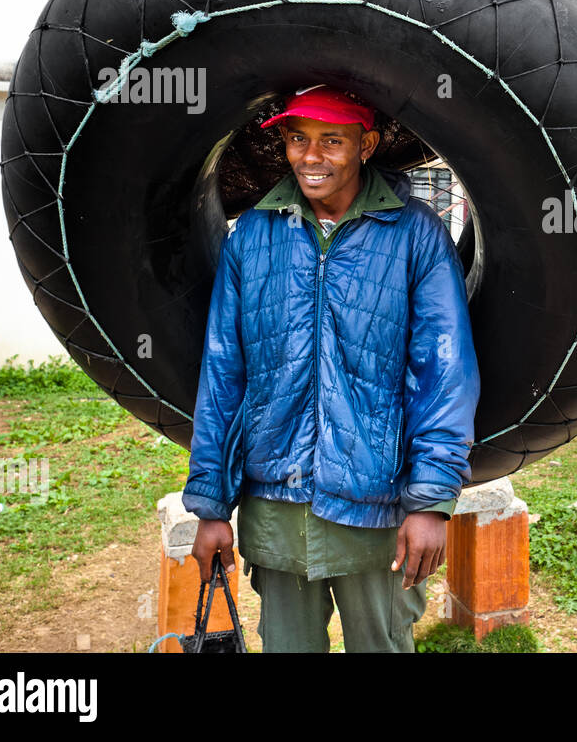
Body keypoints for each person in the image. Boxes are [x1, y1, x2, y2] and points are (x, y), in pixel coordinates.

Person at [182, 85, 480, 652]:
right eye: (298, 139)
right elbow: (222, 374)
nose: (310, 157)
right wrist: (211, 507)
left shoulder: (415, 235)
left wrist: (431, 502)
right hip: (276, 508)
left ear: (366, 145)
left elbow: (444, 373)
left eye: (331, 140)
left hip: (377, 514)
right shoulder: (252, 238)